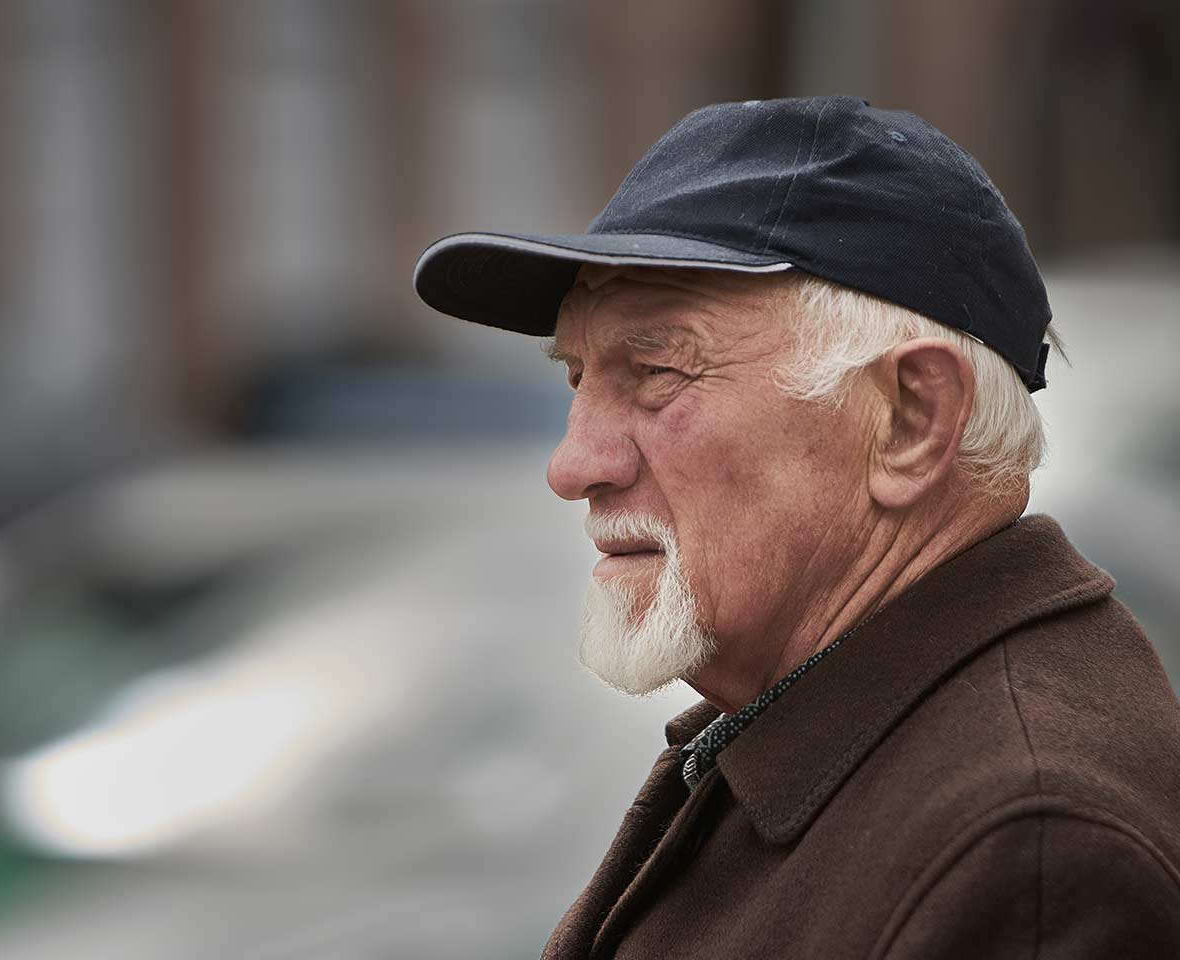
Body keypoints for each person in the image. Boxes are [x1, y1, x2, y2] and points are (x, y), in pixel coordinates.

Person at [412, 96, 1180, 958]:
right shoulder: (842, 734)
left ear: (909, 420)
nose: (572, 464)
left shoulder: (1031, 848)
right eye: (579, 376)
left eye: (656, 370)